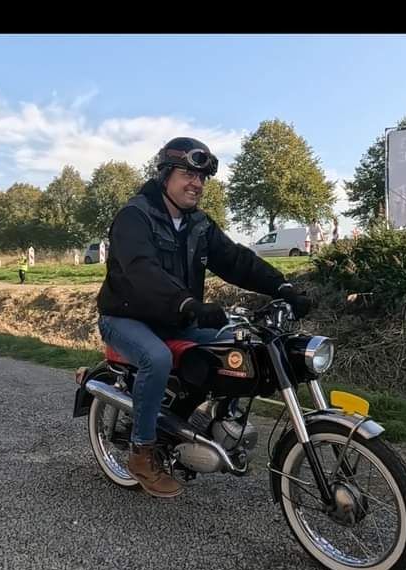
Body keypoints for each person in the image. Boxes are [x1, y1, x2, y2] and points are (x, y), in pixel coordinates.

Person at [96, 137, 312, 498]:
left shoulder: (198, 224)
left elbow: (236, 260)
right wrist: (187, 303)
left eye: (201, 177)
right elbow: (141, 271)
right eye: (187, 174)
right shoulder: (135, 216)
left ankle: (205, 418)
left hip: (176, 317)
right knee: (156, 358)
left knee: (240, 347)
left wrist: (282, 286)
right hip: (126, 317)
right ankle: (142, 452)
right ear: (165, 174)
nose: (196, 183)